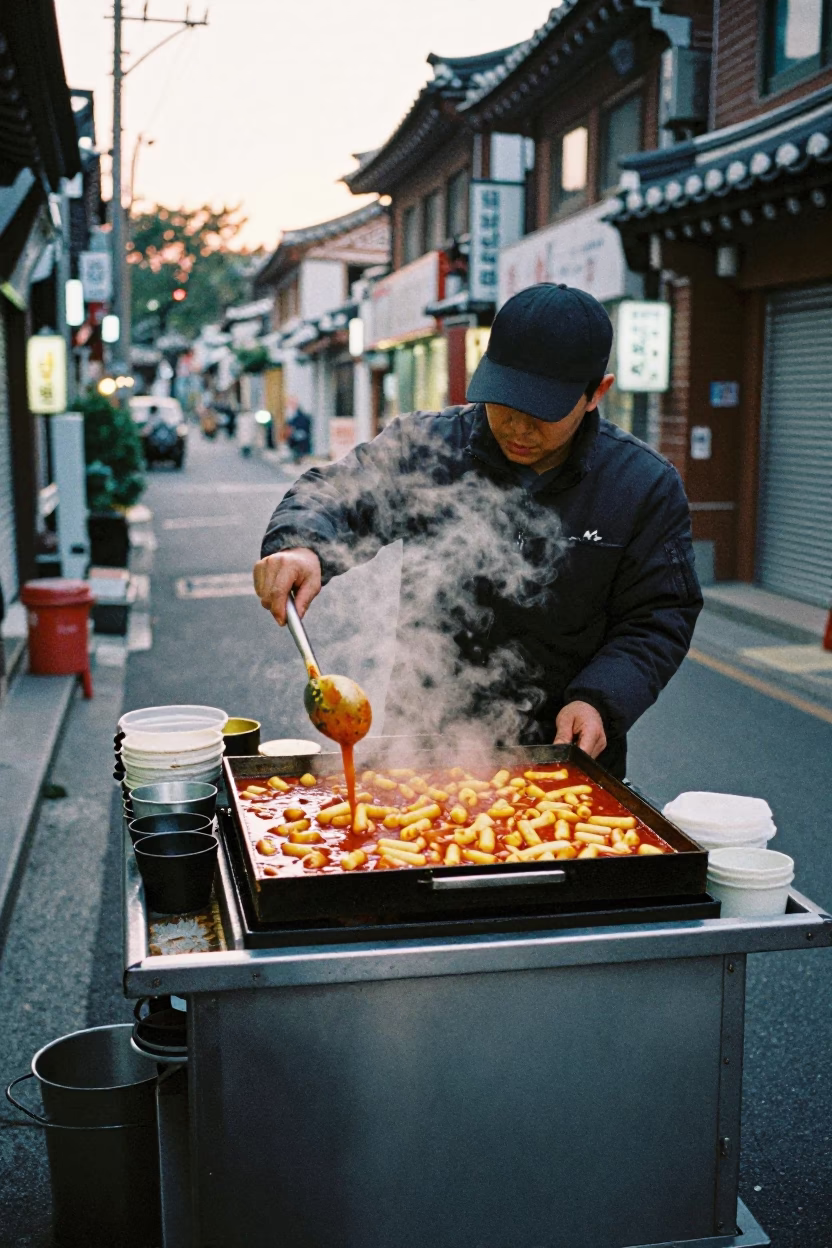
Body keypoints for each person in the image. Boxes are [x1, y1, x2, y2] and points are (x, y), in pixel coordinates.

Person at [253, 284, 702, 778]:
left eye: (542, 413)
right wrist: (301, 545)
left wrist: (600, 699)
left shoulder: (642, 485)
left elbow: (658, 618)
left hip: (564, 754)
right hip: (424, 745)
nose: (517, 428)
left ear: (597, 392)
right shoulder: (428, 447)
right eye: (504, 401)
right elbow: (336, 492)